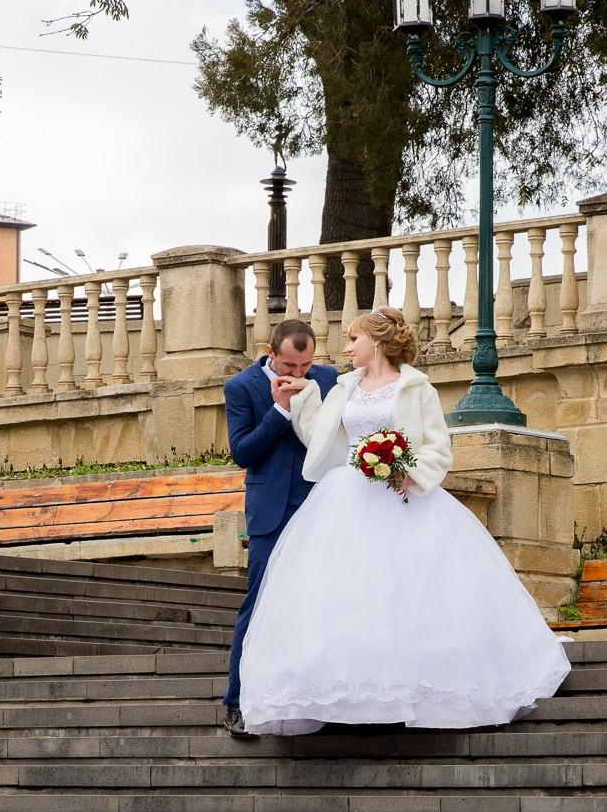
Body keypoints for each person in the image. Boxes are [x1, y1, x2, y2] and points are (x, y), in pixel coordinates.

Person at [237, 307, 570, 736]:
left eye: (353, 339)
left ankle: (415, 692)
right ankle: (351, 695)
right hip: (347, 496)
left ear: (375, 342)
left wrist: (408, 470)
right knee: (344, 595)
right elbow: (321, 435)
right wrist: (301, 397)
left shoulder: (416, 388)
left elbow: (438, 445)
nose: (347, 347)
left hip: (402, 497)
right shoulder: (344, 386)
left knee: (409, 594)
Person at [220, 319, 338, 738]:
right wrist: (280, 411)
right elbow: (242, 451)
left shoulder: (328, 378)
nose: (299, 374)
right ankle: (236, 701)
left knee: (318, 602)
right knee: (260, 600)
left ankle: (315, 699)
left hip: (318, 504)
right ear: (271, 352)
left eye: (305, 365)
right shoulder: (242, 386)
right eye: (290, 365)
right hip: (271, 511)